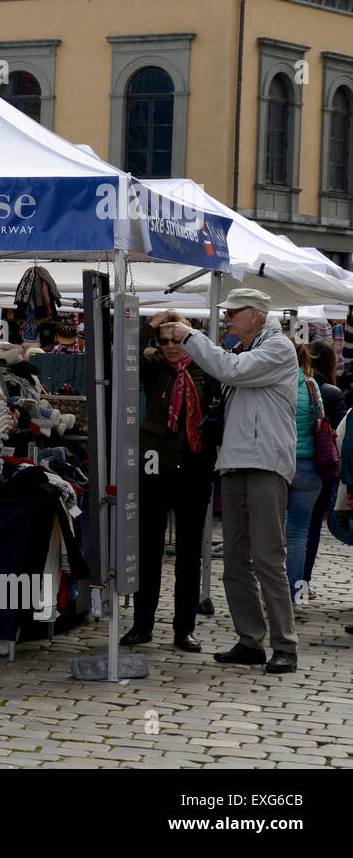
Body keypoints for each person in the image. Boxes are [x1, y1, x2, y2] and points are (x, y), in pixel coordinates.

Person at [167, 288, 299, 673]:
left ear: (256, 314)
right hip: (236, 461)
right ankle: (250, 640)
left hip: (265, 463)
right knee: (236, 562)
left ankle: (285, 645)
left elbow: (230, 371)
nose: (227, 319)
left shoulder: (278, 347)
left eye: (233, 312)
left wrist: (190, 336)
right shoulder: (247, 350)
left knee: (267, 558)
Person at [122, 311, 215, 652]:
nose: (171, 346)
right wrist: (149, 326)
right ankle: (142, 623)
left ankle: (184, 628)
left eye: (177, 338)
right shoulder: (152, 368)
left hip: (194, 465)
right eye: (164, 341)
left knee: (190, 553)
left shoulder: (207, 368)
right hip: (154, 464)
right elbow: (124, 357)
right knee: (148, 548)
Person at [304, 340, 346, 596]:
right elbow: (341, 435)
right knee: (309, 530)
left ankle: (283, 589)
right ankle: (301, 586)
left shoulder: (295, 387)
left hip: (291, 463)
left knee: (290, 529)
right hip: (321, 467)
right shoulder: (331, 392)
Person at [285, 342, 325, 603]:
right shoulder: (311, 385)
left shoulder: (275, 385)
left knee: (274, 536)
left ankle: (275, 597)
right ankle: (296, 597)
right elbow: (320, 418)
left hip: (281, 464)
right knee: (300, 535)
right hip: (310, 467)